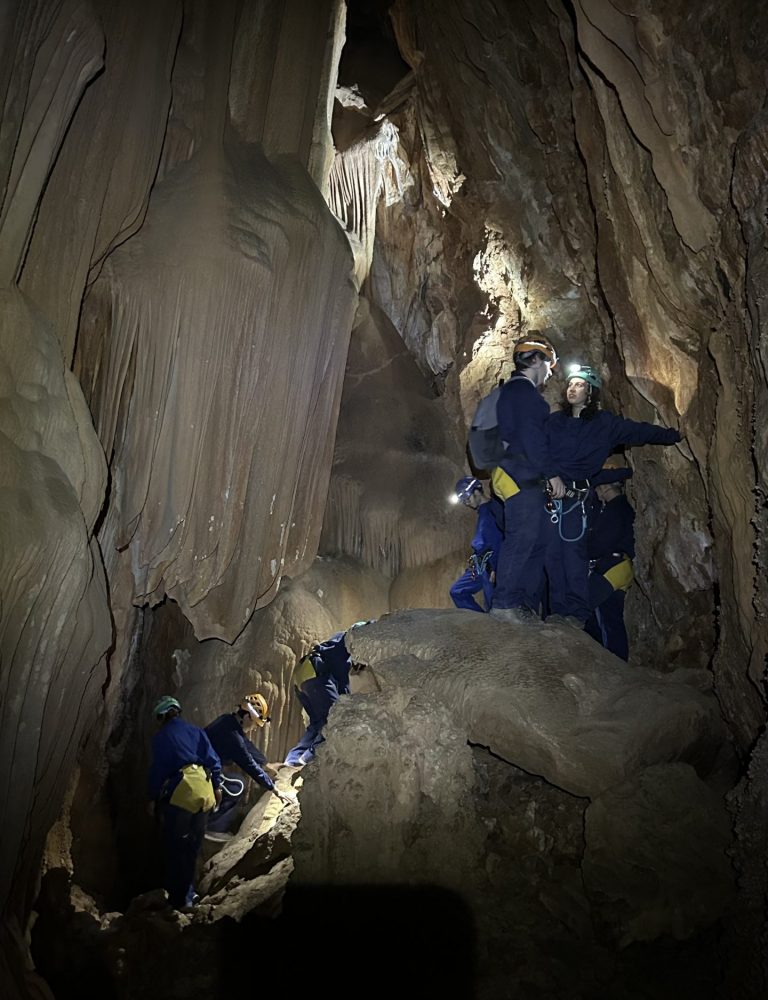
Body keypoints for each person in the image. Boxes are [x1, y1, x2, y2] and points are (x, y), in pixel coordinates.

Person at [544, 365, 680, 627]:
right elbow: (538, 450)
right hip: (550, 493)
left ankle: (575, 614)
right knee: (551, 554)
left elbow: (638, 431)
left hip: (577, 498)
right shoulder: (554, 421)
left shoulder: (605, 424)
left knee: (573, 553)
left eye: (580, 385)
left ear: (591, 392)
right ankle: (557, 611)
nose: (572, 388)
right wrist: (550, 474)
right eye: (570, 384)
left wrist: (671, 435)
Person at [490, 334, 565, 624]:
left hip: (514, 473)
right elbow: (533, 440)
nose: (549, 372)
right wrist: (552, 474)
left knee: (536, 538)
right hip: (519, 473)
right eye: (549, 364)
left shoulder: (512, 392)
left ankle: (520, 601)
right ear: (535, 360)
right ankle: (504, 603)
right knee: (522, 537)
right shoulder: (525, 395)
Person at [148, 695, 222, 909]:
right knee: (192, 848)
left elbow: (158, 770)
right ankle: (189, 896)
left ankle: (176, 899)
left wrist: (152, 797)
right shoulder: (196, 731)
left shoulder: (162, 737)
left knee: (175, 847)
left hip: (182, 792)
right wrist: (216, 786)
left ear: (161, 716)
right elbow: (214, 760)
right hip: (205, 792)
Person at [205, 694, 293, 833]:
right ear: (247, 717)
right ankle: (212, 827)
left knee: (236, 781)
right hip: (206, 770)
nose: (255, 728)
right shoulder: (233, 736)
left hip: (208, 765)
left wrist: (265, 763)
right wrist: (274, 789)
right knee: (238, 785)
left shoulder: (227, 721)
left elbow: (247, 745)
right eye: (254, 723)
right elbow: (248, 763)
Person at [284, 625, 369, 766]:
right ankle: (308, 760)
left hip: (302, 674)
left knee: (317, 723)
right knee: (334, 719)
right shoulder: (345, 643)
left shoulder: (340, 661)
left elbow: (342, 692)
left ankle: (292, 761)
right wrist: (380, 623)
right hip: (316, 671)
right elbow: (359, 628)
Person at [584, 460, 636, 660]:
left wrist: (579, 551)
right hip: (623, 567)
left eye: (598, 486)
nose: (596, 491)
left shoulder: (615, 509)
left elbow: (600, 544)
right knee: (610, 617)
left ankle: (601, 660)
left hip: (611, 566)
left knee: (581, 608)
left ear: (606, 486)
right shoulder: (624, 508)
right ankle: (618, 662)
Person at [449, 477, 504, 612]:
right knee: (457, 591)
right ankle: (481, 620)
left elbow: (497, 540)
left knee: (492, 604)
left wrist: (495, 567)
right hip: (479, 565)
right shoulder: (483, 512)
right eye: (464, 501)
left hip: (490, 565)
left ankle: (494, 626)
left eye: (468, 498)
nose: (467, 503)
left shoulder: (493, 510)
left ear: (477, 491)